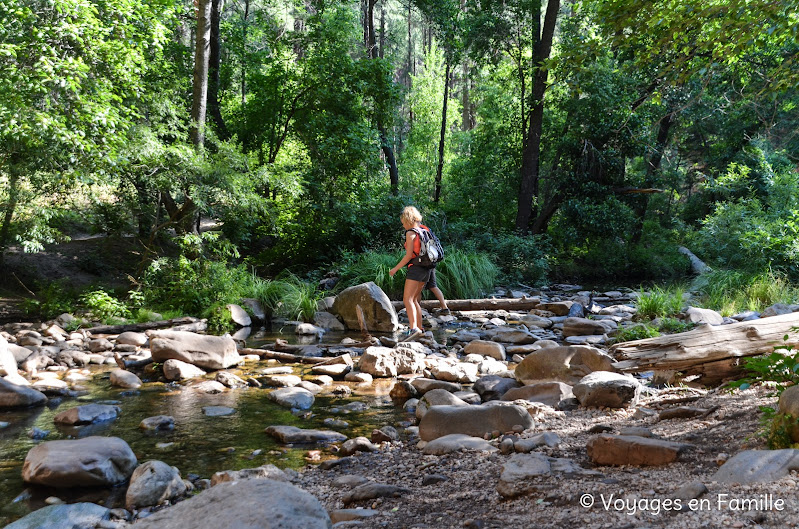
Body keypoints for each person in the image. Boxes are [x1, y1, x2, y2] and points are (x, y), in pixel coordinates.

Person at [389, 206, 430, 340]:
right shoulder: (424, 230)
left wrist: (395, 269)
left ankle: (413, 329)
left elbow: (408, 256)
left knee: (407, 299)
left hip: (416, 268)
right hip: (427, 268)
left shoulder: (410, 233)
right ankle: (420, 328)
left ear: (407, 219)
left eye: (403, 221)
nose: (402, 224)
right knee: (415, 300)